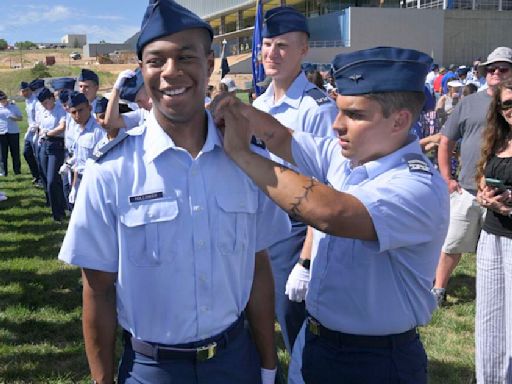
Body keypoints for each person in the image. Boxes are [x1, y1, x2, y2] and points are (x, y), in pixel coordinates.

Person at [58, 1, 290, 383]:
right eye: (156, 61)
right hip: (152, 368)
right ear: (142, 70)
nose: (171, 72)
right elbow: (97, 290)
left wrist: (267, 365)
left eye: (186, 57)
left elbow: (257, 266)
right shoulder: (111, 171)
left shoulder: (247, 163)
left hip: (235, 361)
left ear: (210, 63)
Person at [213, 45, 449, 384]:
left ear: (400, 120)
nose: (337, 125)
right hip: (318, 341)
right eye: (338, 110)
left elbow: (331, 213)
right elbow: (280, 136)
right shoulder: (350, 158)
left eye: (354, 115)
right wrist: (235, 109)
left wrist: (242, 155)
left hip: (376, 361)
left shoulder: (417, 184)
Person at [251, 5, 338, 354]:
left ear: (304, 50)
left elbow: (326, 190)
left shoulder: (317, 109)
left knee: (295, 322)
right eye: (268, 44)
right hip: (261, 224)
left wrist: (305, 260)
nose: (272, 53)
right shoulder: (258, 102)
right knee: (258, 318)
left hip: (296, 230)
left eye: (283, 46)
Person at [432, 46, 512, 305]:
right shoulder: (469, 103)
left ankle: (499, 294)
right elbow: (446, 141)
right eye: (491, 69)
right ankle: (439, 290)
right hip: (467, 190)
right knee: (453, 244)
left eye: (503, 68)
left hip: (504, 194)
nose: (496, 73)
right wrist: (447, 178)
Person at [474, 78, 512, 383]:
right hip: (492, 237)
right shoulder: (498, 140)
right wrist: (484, 195)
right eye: (506, 104)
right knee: (490, 320)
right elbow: (483, 178)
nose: (511, 110)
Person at [66, 92, 105, 204]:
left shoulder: (99, 131)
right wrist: (74, 187)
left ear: (89, 108)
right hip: (80, 179)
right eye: (73, 112)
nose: (77, 115)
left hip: (95, 181)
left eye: (81, 110)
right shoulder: (76, 130)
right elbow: (79, 163)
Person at [36, 87, 67, 222]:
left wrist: (48, 133)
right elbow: (39, 125)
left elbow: (62, 126)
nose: (44, 105)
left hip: (56, 144)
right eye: (42, 103)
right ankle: (58, 205)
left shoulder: (60, 109)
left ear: (51, 99)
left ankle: (58, 213)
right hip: (44, 144)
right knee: (45, 177)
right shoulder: (43, 111)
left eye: (45, 102)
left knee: (52, 180)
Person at [20, 81, 41, 184]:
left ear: (30, 90)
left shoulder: (35, 101)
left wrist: (37, 129)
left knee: (37, 155)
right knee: (26, 153)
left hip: (37, 130)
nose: (25, 93)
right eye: (23, 91)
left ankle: (40, 177)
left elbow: (38, 117)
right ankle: (36, 175)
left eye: (26, 90)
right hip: (30, 130)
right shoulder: (27, 101)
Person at [0, 91, 22, 177]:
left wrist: (13, 117)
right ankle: (3, 172)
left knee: (15, 153)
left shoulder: (13, 106)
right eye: (1, 100)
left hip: (13, 132)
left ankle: (17, 171)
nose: (3, 101)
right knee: (2, 154)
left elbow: (20, 118)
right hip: (1, 132)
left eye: (4, 99)